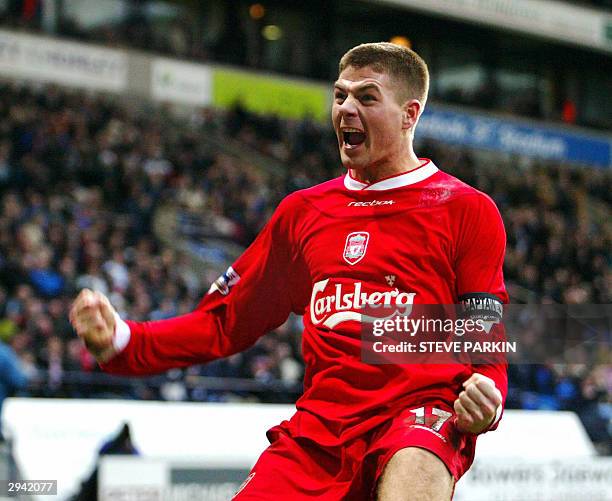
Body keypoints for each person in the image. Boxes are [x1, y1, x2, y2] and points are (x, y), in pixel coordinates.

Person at [70, 42, 506, 501]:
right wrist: (126, 341)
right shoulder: (303, 213)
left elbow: (485, 333)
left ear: (409, 114)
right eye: (340, 96)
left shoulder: (466, 210)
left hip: (419, 417)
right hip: (321, 431)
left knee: (413, 472)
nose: (346, 109)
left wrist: (488, 397)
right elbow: (225, 321)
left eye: (367, 97)